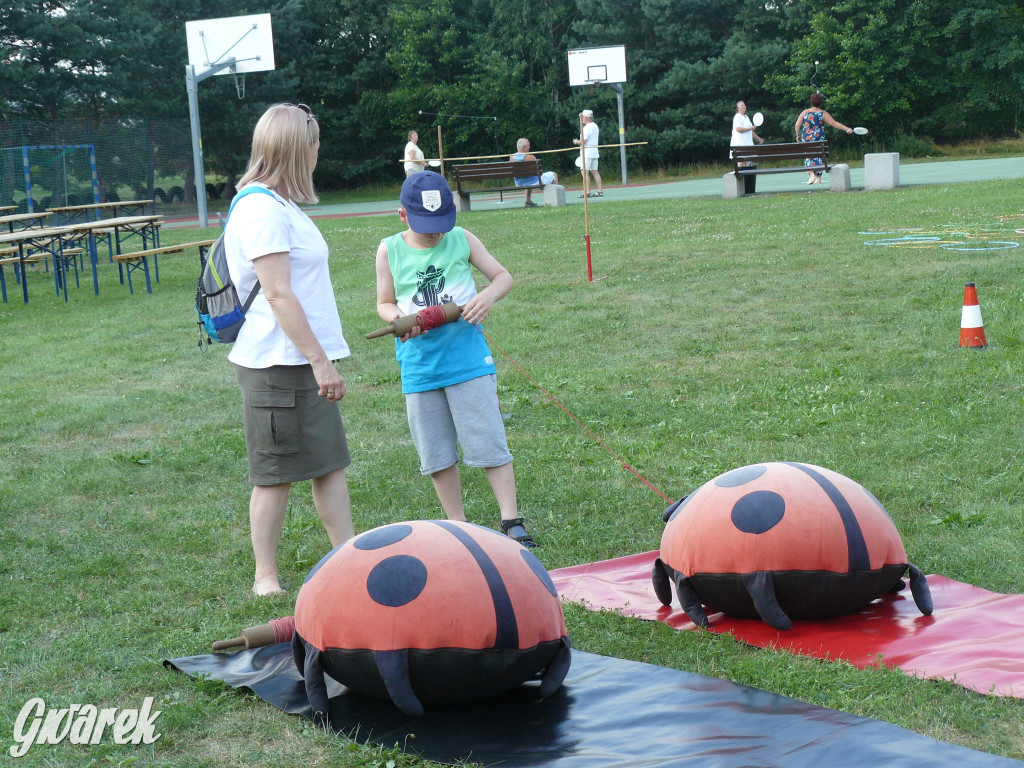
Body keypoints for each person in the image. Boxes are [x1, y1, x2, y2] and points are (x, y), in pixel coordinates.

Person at [224, 103, 355, 596]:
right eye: (315, 143)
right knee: (275, 473)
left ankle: (349, 557)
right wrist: (321, 361)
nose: (319, 152)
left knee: (328, 463)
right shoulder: (259, 208)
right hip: (276, 364)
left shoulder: (280, 204)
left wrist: (319, 359)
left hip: (301, 360)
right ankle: (266, 577)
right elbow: (277, 293)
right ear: (299, 150)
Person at [374, 170, 537, 548]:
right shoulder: (389, 250)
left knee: (487, 437)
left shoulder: (461, 239)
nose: (435, 234)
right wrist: (398, 320)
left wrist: (489, 296)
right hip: (420, 365)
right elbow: (384, 302)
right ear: (402, 216)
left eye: (441, 224)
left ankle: (511, 519)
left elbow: (502, 276)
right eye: (426, 226)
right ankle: (457, 525)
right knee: (437, 450)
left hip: (467, 360)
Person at [795, 92, 853, 184]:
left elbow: (797, 125)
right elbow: (833, 123)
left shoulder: (805, 112)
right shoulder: (823, 113)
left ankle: (812, 175)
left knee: (808, 155)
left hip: (807, 138)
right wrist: (847, 129)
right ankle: (818, 178)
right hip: (819, 138)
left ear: (811, 102)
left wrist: (798, 135)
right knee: (819, 155)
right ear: (821, 103)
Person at [510, 138, 558, 208]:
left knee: (528, 178)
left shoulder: (512, 157)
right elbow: (538, 170)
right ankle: (555, 201)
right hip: (535, 181)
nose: (529, 147)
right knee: (554, 175)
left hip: (519, 183)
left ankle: (528, 201)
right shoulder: (530, 157)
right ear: (525, 147)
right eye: (529, 145)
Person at [572, 109, 602, 198]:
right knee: (595, 172)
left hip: (587, 154)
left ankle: (587, 192)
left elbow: (584, 141)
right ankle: (600, 191)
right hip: (594, 152)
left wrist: (576, 141)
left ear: (585, 118)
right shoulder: (595, 126)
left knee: (584, 172)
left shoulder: (586, 128)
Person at [731, 100, 763, 166]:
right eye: (742, 105)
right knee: (741, 162)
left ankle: (746, 176)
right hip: (740, 143)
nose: (744, 106)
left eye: (744, 105)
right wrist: (751, 128)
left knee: (748, 162)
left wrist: (758, 138)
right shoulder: (737, 116)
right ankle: (737, 175)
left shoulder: (746, 117)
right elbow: (738, 129)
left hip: (748, 143)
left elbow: (750, 131)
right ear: (738, 108)